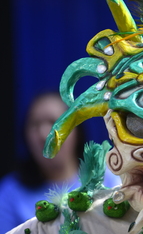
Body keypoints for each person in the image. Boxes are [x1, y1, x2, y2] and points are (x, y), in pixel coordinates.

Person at [0, 92, 120, 233]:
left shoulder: (109, 177)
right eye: (34, 124)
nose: (43, 134)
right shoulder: (11, 192)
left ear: (76, 130)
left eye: (53, 122)